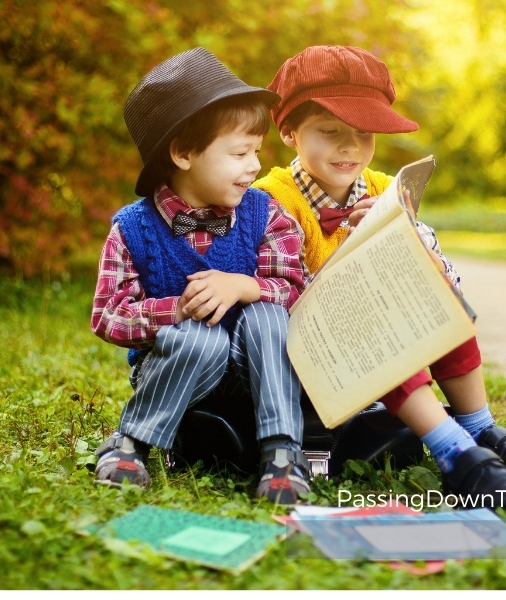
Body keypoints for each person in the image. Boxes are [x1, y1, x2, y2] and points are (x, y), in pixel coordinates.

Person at [254, 45, 506, 514]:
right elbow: (278, 298)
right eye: (329, 132)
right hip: (303, 353)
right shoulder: (270, 200)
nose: (349, 147)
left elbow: (437, 268)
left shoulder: (383, 189)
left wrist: (404, 241)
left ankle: (480, 427)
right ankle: (456, 455)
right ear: (290, 132)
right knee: (375, 321)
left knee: (438, 295)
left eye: (363, 133)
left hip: (367, 344)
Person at [91, 48, 311, 505]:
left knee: (268, 316)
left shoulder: (265, 214)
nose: (254, 165)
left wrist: (245, 286)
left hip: (258, 369)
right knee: (199, 336)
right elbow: (109, 316)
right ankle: (132, 443)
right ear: (184, 153)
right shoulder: (133, 229)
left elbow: (293, 288)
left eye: (256, 151)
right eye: (239, 152)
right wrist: (178, 311)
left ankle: (283, 455)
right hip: (184, 373)